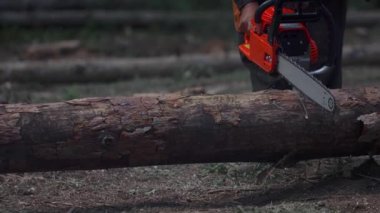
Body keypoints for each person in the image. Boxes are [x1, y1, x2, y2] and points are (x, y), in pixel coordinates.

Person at [232, 0, 347, 91]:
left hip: (320, 9)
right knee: (273, 99)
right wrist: (247, 3)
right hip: (265, 10)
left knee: (326, 82)